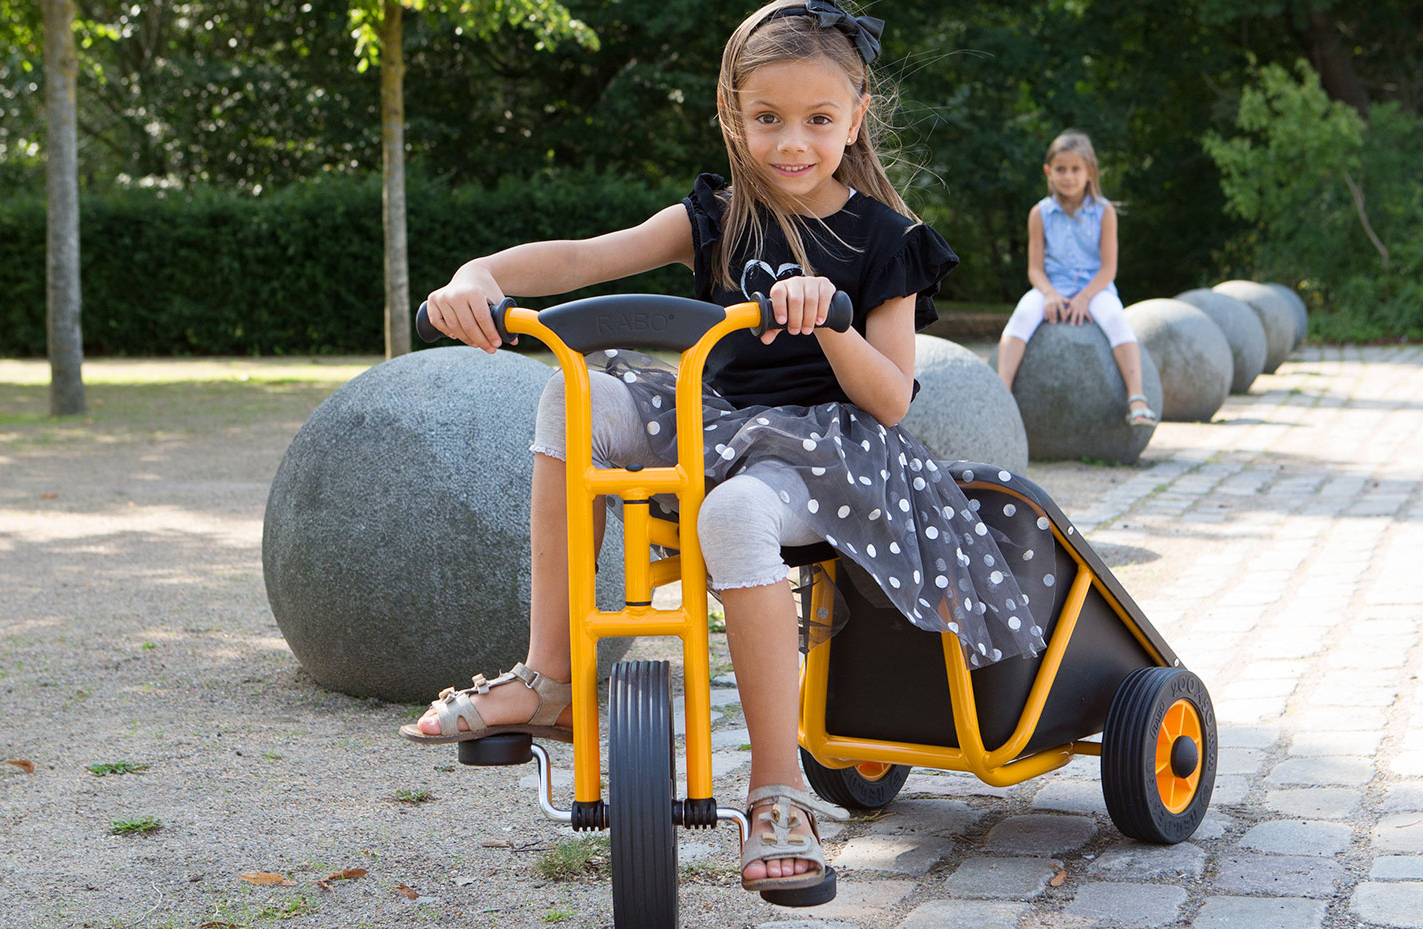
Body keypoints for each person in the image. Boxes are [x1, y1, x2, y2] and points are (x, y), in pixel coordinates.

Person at [400, 0, 1050, 893]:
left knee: (734, 511)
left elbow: (893, 398)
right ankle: (550, 679)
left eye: (819, 120)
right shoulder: (715, 214)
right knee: (573, 393)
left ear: (856, 118)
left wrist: (832, 321)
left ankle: (779, 788)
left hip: (830, 454)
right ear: (733, 118)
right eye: (769, 118)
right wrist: (480, 277)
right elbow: (586, 259)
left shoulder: (888, 242)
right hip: (718, 421)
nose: (793, 142)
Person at [995, 131, 1156, 426]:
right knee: (1021, 317)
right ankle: (1000, 393)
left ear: (1090, 172)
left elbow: (1108, 268)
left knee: (1117, 320)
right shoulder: (1039, 214)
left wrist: (1084, 297)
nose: (1068, 176)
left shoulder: (1105, 212)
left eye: (1075, 169)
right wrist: (1050, 294)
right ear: (1049, 172)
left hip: (1095, 289)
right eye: (1061, 169)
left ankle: (1137, 397)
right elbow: (1035, 269)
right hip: (1050, 287)